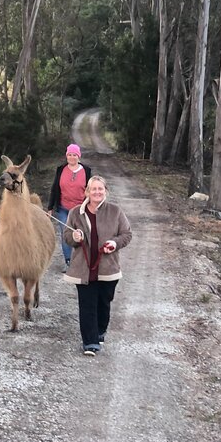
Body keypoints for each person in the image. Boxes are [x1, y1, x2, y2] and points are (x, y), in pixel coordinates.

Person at [63, 175, 132, 356]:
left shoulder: (115, 211)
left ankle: (100, 331)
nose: (97, 192)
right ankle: (90, 342)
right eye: (93, 189)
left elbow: (127, 234)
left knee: (104, 303)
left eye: (100, 189)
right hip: (83, 268)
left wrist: (114, 243)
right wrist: (75, 238)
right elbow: (67, 237)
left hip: (108, 268)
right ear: (87, 192)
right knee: (87, 304)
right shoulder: (75, 213)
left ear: (105, 191)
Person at [47, 143, 92, 272]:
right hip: (63, 208)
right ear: (66, 156)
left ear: (79, 156)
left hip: (80, 209)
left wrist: (91, 206)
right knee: (66, 234)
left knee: (80, 234)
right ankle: (69, 262)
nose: (72, 157)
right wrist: (50, 208)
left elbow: (90, 190)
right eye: (69, 155)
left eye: (74, 155)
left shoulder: (86, 171)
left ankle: (81, 260)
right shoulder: (61, 169)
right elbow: (55, 189)